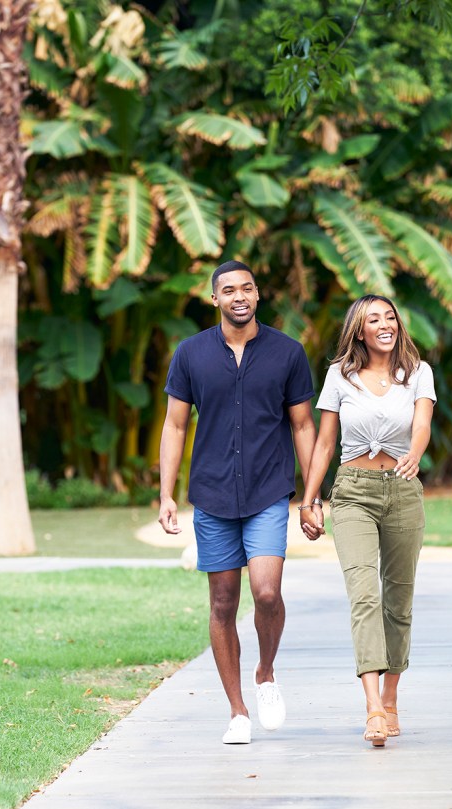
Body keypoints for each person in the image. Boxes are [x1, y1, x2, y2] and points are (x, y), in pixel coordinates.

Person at [158, 259, 322, 745]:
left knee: (267, 593)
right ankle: (237, 712)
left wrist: (312, 497)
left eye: (247, 287)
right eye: (228, 290)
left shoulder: (287, 353)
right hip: (211, 494)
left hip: (268, 490)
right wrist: (166, 494)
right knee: (223, 602)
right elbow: (174, 425)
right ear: (215, 299)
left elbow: (303, 425)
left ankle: (265, 673)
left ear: (257, 294)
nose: (239, 296)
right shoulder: (190, 354)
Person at [299, 295, 436, 748]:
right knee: (364, 596)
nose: (384, 324)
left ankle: (392, 697)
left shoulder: (417, 372)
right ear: (359, 330)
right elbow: (324, 443)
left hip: (401, 491)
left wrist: (414, 457)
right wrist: (309, 498)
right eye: (373, 319)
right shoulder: (339, 375)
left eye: (390, 317)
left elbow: (421, 426)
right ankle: (373, 706)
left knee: (399, 600)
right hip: (353, 491)